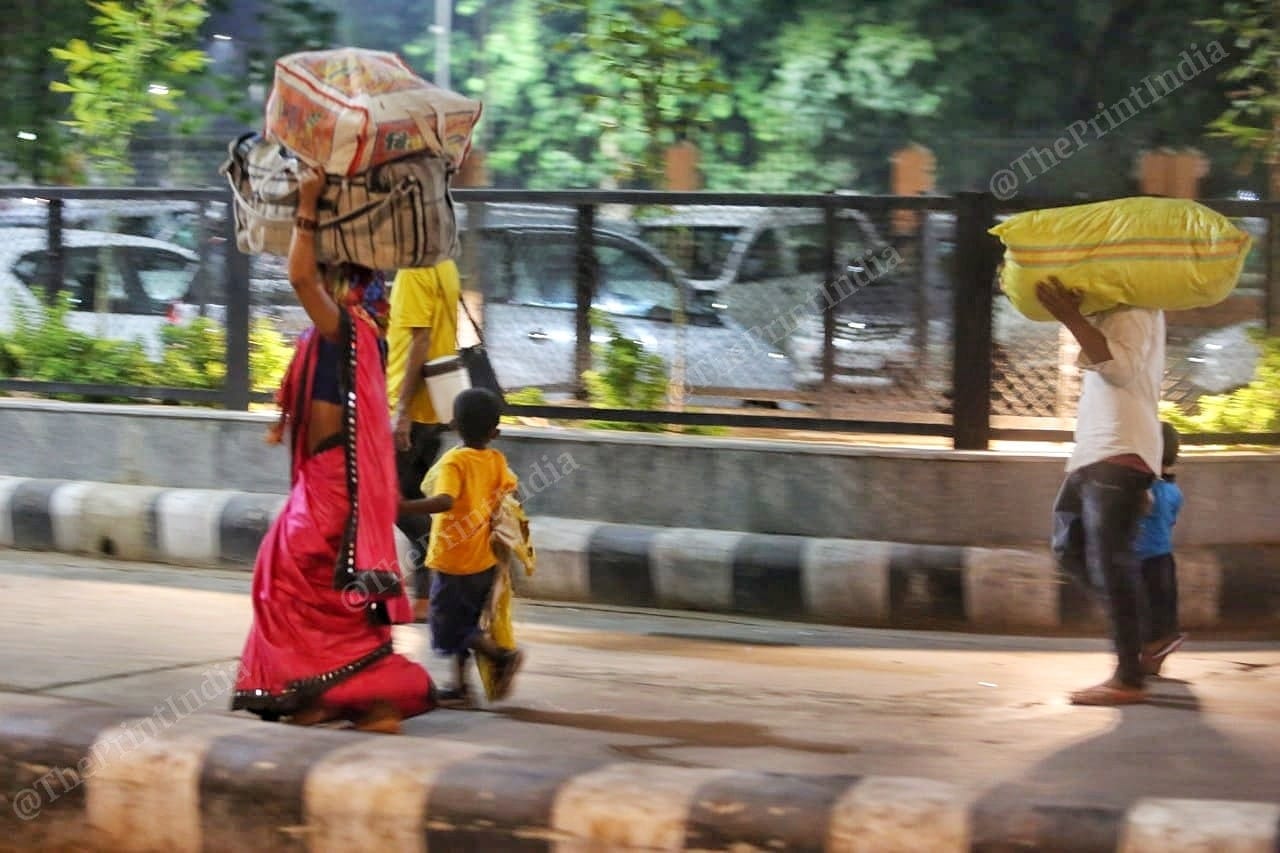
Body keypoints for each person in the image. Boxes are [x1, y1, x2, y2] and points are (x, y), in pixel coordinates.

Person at [232, 165, 434, 734]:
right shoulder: (340, 332)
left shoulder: (347, 326)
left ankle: (351, 693)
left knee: (284, 578)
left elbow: (298, 277)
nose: (313, 271)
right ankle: (331, 696)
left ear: (341, 279)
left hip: (329, 490)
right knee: (312, 591)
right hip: (324, 482)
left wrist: (310, 203)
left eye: (325, 266)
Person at [1038, 276, 1164, 706]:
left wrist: (1071, 317)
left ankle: (1130, 675)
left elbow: (1121, 368)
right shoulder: (1116, 308)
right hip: (1099, 452)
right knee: (1070, 546)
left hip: (1118, 451)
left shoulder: (1134, 306)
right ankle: (1146, 641)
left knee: (1109, 562)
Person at [400, 388, 524, 708]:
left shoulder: (455, 461)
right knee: (467, 622)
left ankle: (500, 656)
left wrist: (404, 506)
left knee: (447, 626)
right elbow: (511, 492)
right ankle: (460, 687)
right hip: (483, 558)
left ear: (454, 424)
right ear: (495, 431)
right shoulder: (495, 459)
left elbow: (445, 501)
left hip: (453, 560)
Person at [386, 260, 463, 621]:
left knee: (388, 500)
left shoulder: (415, 270)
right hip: (435, 402)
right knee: (412, 498)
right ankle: (428, 594)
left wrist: (401, 411)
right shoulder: (444, 264)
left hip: (412, 408)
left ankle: (431, 588)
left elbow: (421, 338)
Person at [1135, 421, 1186, 677]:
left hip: (1143, 560)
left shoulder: (1146, 490)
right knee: (1162, 609)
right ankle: (1157, 652)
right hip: (1164, 558)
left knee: (1143, 611)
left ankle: (1153, 651)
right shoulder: (1174, 491)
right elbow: (1171, 521)